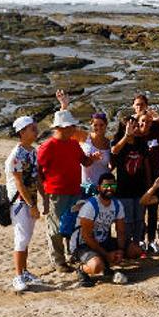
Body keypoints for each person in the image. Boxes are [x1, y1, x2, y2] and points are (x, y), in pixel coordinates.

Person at [38, 106, 103, 273]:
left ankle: (71, 254)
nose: (74, 129)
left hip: (75, 190)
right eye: (71, 126)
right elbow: (37, 172)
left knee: (72, 224)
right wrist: (44, 196)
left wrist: (92, 159)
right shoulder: (47, 146)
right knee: (56, 228)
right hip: (56, 193)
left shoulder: (73, 144)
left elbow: (85, 162)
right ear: (61, 128)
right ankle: (59, 261)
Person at [69, 173, 141, 287]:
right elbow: (87, 237)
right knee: (97, 267)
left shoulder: (117, 205)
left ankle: (105, 262)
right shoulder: (90, 207)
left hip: (103, 241)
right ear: (99, 188)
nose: (109, 189)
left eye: (112, 186)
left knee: (135, 251)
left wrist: (121, 250)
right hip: (83, 245)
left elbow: (120, 231)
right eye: (106, 186)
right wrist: (106, 254)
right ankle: (81, 268)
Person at [5, 116, 44, 292]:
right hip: (20, 203)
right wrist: (31, 205)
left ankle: (25, 271)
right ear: (22, 132)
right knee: (21, 240)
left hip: (30, 200)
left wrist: (44, 198)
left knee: (26, 238)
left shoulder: (33, 151)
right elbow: (19, 183)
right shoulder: (17, 154)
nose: (36, 131)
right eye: (32, 128)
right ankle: (18, 276)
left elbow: (37, 178)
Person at [131, 96, 159, 255]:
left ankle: (152, 240)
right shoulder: (133, 131)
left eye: (142, 105)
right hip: (140, 178)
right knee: (140, 209)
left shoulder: (154, 127)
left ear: (147, 106)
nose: (140, 107)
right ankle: (140, 239)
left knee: (153, 209)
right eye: (137, 105)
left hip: (156, 175)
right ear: (133, 106)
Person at [109, 115, 152, 255]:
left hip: (140, 188)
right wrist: (126, 137)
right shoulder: (118, 141)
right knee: (126, 220)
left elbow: (146, 165)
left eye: (135, 125)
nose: (134, 128)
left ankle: (137, 245)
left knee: (139, 219)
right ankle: (126, 246)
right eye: (130, 126)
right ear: (124, 127)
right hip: (124, 189)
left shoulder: (141, 142)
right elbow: (114, 150)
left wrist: (150, 185)